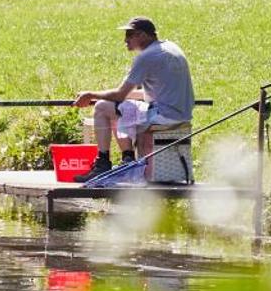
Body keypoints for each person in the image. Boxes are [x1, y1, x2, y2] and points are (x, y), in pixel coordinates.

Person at [73, 16, 195, 182]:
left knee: (102, 107)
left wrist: (90, 95)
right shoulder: (170, 47)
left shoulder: (147, 57)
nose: (125, 40)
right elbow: (147, 94)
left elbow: (120, 95)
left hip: (163, 116)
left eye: (130, 35)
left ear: (143, 35)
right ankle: (127, 160)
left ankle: (105, 163)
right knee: (116, 107)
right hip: (179, 113)